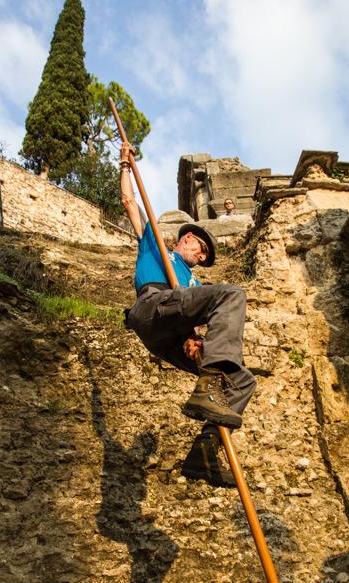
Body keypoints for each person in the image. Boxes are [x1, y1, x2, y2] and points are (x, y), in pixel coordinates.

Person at [119, 141, 256, 487]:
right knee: (231, 294)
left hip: (169, 333)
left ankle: (204, 451)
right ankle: (207, 386)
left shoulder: (195, 280)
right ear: (188, 239)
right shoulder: (157, 246)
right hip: (153, 304)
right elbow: (129, 203)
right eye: (202, 249)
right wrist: (125, 165)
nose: (202, 256)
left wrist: (196, 342)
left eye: (206, 255)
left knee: (242, 380)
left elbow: (198, 318)